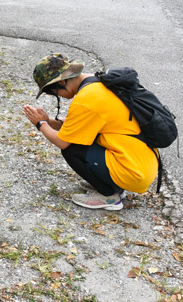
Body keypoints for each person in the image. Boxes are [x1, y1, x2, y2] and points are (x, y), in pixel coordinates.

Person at [22, 53, 158, 211]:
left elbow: (62, 141)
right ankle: (110, 183)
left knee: (72, 149)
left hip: (132, 172)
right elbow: (79, 125)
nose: (55, 96)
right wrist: (49, 121)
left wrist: (40, 124)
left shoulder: (86, 99)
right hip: (141, 164)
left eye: (52, 92)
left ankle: (109, 196)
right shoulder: (98, 83)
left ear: (62, 81)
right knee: (80, 140)